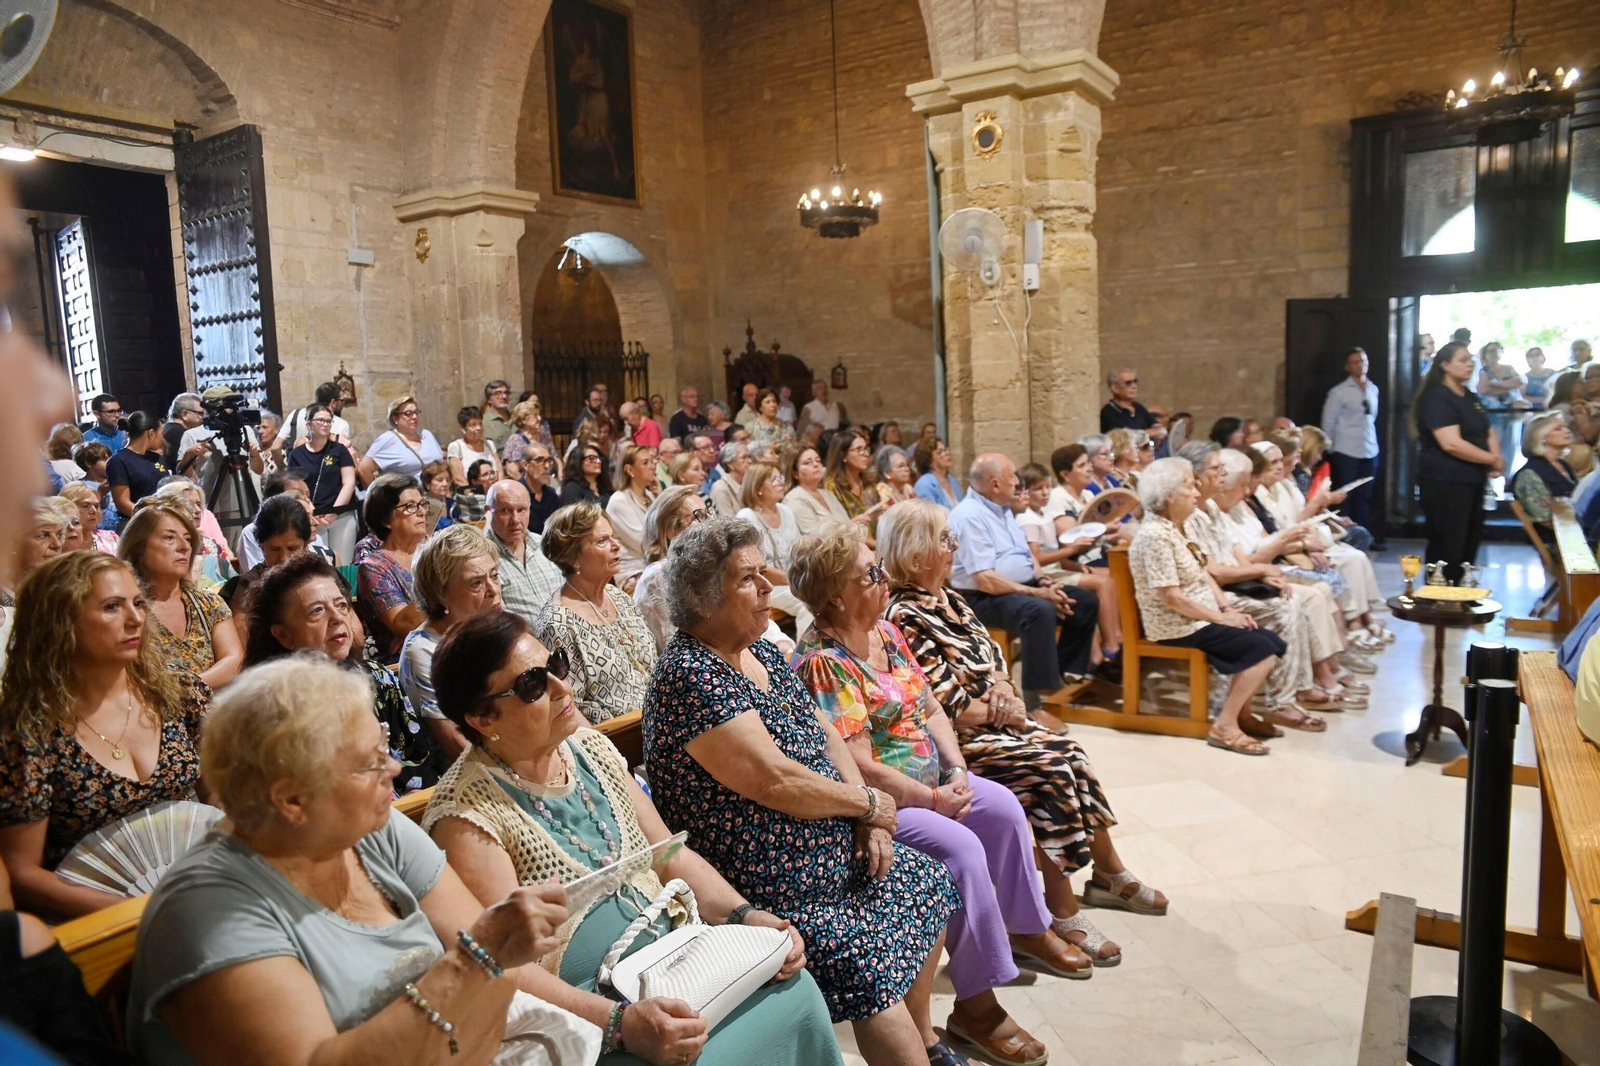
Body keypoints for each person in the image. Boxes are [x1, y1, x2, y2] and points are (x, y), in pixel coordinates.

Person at [422, 611, 841, 1066]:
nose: (563, 687)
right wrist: (620, 1025)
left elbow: (671, 856)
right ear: (483, 718)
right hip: (589, 1008)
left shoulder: (591, 749)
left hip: (678, 961)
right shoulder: (467, 815)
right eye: (532, 685)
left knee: (794, 988)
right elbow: (507, 967)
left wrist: (746, 915)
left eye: (556, 665)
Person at [125, 655, 580, 1066]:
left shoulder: (371, 826)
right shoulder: (205, 917)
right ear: (292, 800)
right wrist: (473, 962)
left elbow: (498, 984)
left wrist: (483, 968)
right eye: (369, 762)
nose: (394, 770)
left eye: (384, 744)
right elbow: (483, 964)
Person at [642, 517, 962, 1066]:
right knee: (865, 960)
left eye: (762, 572)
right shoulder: (689, 675)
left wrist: (869, 816)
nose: (768, 587)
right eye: (747, 579)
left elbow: (827, 734)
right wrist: (868, 803)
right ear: (704, 598)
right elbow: (774, 780)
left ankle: (925, 1038)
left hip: (830, 852)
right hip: (768, 884)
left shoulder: (759, 652)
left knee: (928, 880)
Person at [792, 525, 1081, 1061]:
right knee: (961, 849)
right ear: (836, 595)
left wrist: (957, 768)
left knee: (1002, 809)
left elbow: (930, 707)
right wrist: (931, 801)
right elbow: (858, 764)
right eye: (871, 573)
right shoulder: (823, 662)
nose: (885, 578)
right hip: (880, 805)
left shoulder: (886, 632)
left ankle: (1027, 929)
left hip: (931, 782)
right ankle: (977, 1005)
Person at [882, 500, 1166, 959]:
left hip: (995, 721)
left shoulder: (950, 598)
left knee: (1072, 753)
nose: (954, 546)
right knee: (1049, 768)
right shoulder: (903, 614)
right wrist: (1006, 713)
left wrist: (1004, 687)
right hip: (958, 742)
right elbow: (943, 703)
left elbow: (994, 658)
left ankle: (1108, 873)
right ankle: (1060, 908)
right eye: (944, 539)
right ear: (915, 555)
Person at [0, 552, 206, 918]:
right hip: (95, 920)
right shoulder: (29, 732)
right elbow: (22, 873)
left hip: (198, 892)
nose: (136, 618)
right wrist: (139, 913)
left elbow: (218, 800)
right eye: (112, 607)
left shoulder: (176, 690)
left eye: (138, 603)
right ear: (60, 622)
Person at [1128, 459, 1286, 755]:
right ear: (1169, 495)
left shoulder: (1178, 527)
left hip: (1197, 617)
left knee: (1269, 641)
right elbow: (1172, 598)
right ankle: (1225, 725)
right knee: (1263, 650)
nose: (1197, 493)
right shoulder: (1154, 536)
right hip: (1176, 625)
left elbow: (1202, 573)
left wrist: (1227, 609)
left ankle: (1242, 716)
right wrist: (1221, 619)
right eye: (1189, 486)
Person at [244, 551, 438, 790]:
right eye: (317, 611)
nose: (337, 617)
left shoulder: (378, 678)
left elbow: (417, 764)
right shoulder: (273, 711)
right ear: (283, 635)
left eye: (342, 605)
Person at [948, 454, 1100, 706]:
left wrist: (1044, 582)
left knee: (1083, 601)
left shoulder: (1002, 508)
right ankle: (1034, 698)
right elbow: (985, 580)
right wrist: (1037, 593)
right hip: (981, 598)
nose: (1018, 482)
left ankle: (1064, 672)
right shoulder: (969, 516)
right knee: (1038, 610)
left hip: (1019, 587)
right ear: (995, 484)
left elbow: (1026, 555)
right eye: (1012, 477)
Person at [532, 502, 655, 725]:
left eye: (612, 537)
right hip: (620, 735)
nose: (616, 546)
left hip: (660, 717)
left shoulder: (618, 597)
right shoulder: (557, 624)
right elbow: (572, 705)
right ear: (572, 557)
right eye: (602, 541)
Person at [400, 524, 503, 762]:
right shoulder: (424, 649)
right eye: (476, 583)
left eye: (495, 575)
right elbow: (457, 745)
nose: (493, 590)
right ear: (440, 594)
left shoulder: (491, 625)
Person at [120, 498, 243, 690]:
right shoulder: (125, 611)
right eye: (170, 538)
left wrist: (186, 690)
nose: (184, 547)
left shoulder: (209, 603)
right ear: (138, 547)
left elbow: (234, 660)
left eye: (188, 539)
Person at [1415, 341, 1500, 582]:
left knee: (1469, 541)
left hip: (1473, 479)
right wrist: (1491, 458)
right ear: (1445, 365)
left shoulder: (1469, 396)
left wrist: (1495, 459)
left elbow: (1487, 429)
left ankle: (1461, 590)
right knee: (1448, 543)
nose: (1470, 364)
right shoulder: (1437, 397)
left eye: (1471, 359)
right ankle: (1439, 592)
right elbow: (1451, 443)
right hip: (1446, 481)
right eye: (1463, 360)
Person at [355, 474, 428, 661]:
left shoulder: (432, 551)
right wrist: (448, 584)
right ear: (386, 520)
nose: (421, 512)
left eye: (422, 504)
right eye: (410, 506)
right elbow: (404, 624)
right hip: (405, 661)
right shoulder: (374, 567)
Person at [485, 480, 564, 626]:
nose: (515, 520)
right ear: (488, 511)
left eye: (521, 510)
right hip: (522, 639)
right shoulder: (483, 558)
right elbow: (494, 624)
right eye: (505, 511)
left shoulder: (546, 545)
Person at [1320, 347, 1381, 529]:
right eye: (1355, 362)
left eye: (1363, 361)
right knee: (1345, 496)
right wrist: (1329, 448)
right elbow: (1328, 422)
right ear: (1347, 366)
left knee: (1365, 496)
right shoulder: (1339, 392)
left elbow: (1372, 418)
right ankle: (1343, 533)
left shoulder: (1373, 389)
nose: (1360, 365)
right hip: (1346, 450)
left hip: (1369, 449)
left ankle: (1362, 532)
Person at [154, 478, 236, 590]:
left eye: (198, 504)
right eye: (189, 504)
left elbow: (235, 585)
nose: (197, 510)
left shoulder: (212, 545)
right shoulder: (160, 546)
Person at [357, 394, 444, 486]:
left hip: (435, 492)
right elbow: (364, 469)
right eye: (408, 414)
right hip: (406, 493)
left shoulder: (426, 435)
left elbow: (441, 463)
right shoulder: (387, 440)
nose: (414, 417)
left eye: (416, 412)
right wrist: (378, 493)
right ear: (395, 418)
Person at [605, 443, 658, 588]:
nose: (652, 466)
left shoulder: (649, 495)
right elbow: (644, 543)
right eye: (645, 463)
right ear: (629, 470)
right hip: (632, 572)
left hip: (652, 567)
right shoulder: (619, 501)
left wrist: (659, 496)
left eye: (652, 461)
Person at [1512, 411, 1577, 526]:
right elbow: (1544, 518)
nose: (1567, 431)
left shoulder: (1564, 465)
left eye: (1565, 427)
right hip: (1559, 533)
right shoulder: (1529, 474)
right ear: (1541, 437)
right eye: (1558, 429)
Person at [106, 411, 171, 526]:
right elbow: (122, 503)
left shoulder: (157, 458)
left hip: (163, 520)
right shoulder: (118, 461)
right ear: (151, 434)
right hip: (136, 523)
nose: (162, 439)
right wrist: (151, 518)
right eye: (161, 434)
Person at [824, 431, 885, 538]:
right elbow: (836, 528)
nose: (866, 454)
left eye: (866, 448)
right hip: (851, 543)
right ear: (843, 455)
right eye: (859, 450)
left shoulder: (869, 483)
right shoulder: (832, 487)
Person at [784, 444, 851, 534]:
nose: (816, 464)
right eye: (807, 463)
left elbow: (847, 523)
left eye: (818, 460)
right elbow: (814, 536)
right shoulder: (794, 499)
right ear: (795, 473)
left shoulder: (828, 494)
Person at [282, 382, 354, 452]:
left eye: (328, 421)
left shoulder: (295, 414)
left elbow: (277, 446)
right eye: (342, 400)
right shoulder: (341, 424)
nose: (325, 424)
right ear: (333, 402)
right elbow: (344, 452)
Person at [447, 405, 502, 490]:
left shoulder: (489, 444)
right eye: (473, 425)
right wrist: (472, 494)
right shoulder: (456, 447)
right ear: (463, 428)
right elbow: (458, 478)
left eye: (480, 423)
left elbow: (500, 471)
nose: (478, 428)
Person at [501, 396, 556, 481]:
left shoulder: (544, 436)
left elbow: (554, 457)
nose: (539, 418)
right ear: (523, 420)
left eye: (539, 415)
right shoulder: (516, 440)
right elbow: (512, 471)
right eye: (535, 415)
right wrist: (528, 485)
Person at [58, 482, 119, 554]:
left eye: (96, 506)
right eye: (85, 506)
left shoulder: (111, 538)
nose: (94, 511)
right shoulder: (57, 544)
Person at [1099, 367, 1157, 432]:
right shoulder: (1109, 412)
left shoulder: (1138, 407)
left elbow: (1160, 429)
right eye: (1128, 383)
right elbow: (1122, 436)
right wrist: (1149, 433)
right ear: (1115, 388)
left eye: (1135, 382)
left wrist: (1142, 434)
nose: (1134, 386)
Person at [161, 393, 204, 472]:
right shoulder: (180, 433)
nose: (203, 417)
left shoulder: (166, 428)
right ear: (184, 414)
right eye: (200, 413)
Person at [913, 438, 960, 509]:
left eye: (945, 449)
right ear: (929, 461)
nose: (947, 453)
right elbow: (929, 514)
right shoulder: (923, 484)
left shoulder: (952, 480)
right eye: (940, 452)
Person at [561, 441, 611, 506]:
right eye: (591, 458)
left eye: (599, 458)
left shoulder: (604, 486)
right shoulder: (571, 488)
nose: (599, 461)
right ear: (578, 461)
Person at [709, 439, 750, 517]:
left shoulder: (750, 484)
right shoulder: (720, 488)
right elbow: (727, 522)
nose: (750, 461)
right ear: (730, 464)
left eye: (749, 457)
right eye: (744, 457)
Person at [480, 379, 515, 449]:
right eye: (498, 393)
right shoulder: (483, 422)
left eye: (506, 393)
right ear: (489, 399)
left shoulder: (517, 419)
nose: (504, 396)